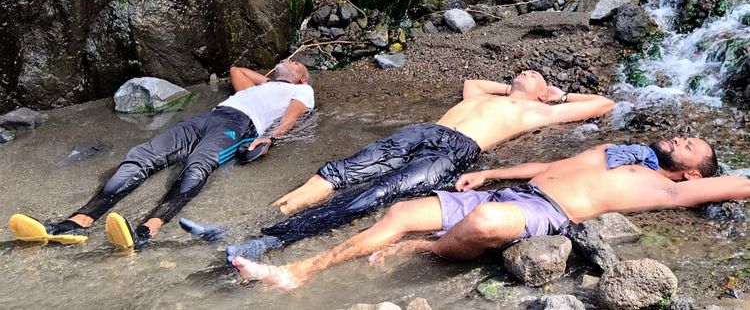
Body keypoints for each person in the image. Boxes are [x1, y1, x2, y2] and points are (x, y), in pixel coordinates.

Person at [182, 70, 615, 262]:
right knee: (338, 172)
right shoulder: (486, 96)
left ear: (543, 95)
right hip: (423, 130)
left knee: (376, 194)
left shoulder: (540, 112)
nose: (525, 71)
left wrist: (554, 96)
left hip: (455, 152)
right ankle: (239, 226)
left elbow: (604, 103)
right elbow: (472, 83)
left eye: (533, 72)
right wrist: (514, 85)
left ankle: (266, 243)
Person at [230, 137, 748, 290]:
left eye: (692, 145)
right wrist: (491, 175)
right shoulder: (624, 152)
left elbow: (741, 184)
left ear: (695, 175)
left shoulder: (667, 189)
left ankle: (427, 249)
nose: (681, 137)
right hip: (515, 189)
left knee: (479, 227)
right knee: (403, 210)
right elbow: (552, 161)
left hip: (544, 212)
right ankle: (301, 272)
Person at [8, 60, 314, 249]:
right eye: (287, 60)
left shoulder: (302, 91)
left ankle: (146, 231)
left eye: (298, 64)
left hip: (239, 127)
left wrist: (268, 138)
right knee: (142, 155)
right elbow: (237, 71)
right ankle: (77, 222)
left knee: (198, 165)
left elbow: (291, 117)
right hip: (210, 116)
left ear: (303, 79)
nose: (291, 60)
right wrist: (274, 78)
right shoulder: (259, 87)